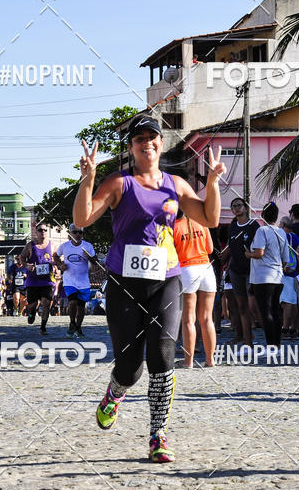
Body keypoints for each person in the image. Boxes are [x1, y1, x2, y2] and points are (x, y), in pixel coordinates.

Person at [73, 114, 225, 463]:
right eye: (139, 138)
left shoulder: (175, 184)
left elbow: (210, 219)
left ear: (160, 143)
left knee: (162, 354)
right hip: (124, 285)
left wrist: (213, 183)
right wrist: (88, 180)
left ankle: (158, 435)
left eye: (153, 137)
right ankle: (115, 393)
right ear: (131, 147)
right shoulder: (118, 183)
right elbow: (82, 220)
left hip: (167, 280)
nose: (147, 143)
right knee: (129, 365)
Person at [173, 210, 216, 369]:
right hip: (206, 268)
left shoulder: (173, 226)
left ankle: (188, 361)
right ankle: (210, 360)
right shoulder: (202, 223)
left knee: (188, 319)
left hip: (187, 269)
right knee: (207, 318)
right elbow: (210, 249)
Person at [245, 202, 289, 350]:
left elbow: (259, 253)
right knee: (275, 311)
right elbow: (285, 259)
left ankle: (271, 345)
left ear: (263, 215)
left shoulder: (262, 231)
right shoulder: (282, 232)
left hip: (262, 277)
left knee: (266, 312)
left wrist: (248, 254)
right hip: (278, 276)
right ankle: (277, 343)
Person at [224, 197, 259, 346]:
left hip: (252, 270)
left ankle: (269, 339)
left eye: (239, 205)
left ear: (245, 208)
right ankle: (247, 341)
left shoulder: (254, 225)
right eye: (233, 206)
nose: (236, 208)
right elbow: (231, 249)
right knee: (241, 307)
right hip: (236, 270)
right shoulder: (233, 226)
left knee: (253, 307)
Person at [56, 224, 99, 338]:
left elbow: (95, 261)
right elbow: (55, 256)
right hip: (69, 280)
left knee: (81, 307)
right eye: (75, 232)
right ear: (70, 233)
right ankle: (72, 322)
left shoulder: (88, 246)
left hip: (84, 281)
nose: (78, 234)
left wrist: (89, 257)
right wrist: (60, 265)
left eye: (80, 232)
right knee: (72, 302)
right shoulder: (64, 246)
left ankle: (78, 327)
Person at [21, 223, 58, 335]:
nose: (43, 232)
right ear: (36, 232)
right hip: (33, 280)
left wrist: (56, 265)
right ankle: (31, 311)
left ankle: (43, 327)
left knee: (46, 302)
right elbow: (22, 257)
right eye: (40, 230)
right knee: (33, 304)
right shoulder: (30, 245)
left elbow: (57, 259)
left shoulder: (52, 245)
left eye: (45, 230)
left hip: (47, 280)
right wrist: (27, 265)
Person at [278, 216, 299, 338]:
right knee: (293, 301)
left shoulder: (285, 237)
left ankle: (285, 328)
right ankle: (294, 328)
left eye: (280, 223)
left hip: (286, 271)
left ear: (283, 225)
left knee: (287, 302)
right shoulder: (295, 237)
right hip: (294, 271)